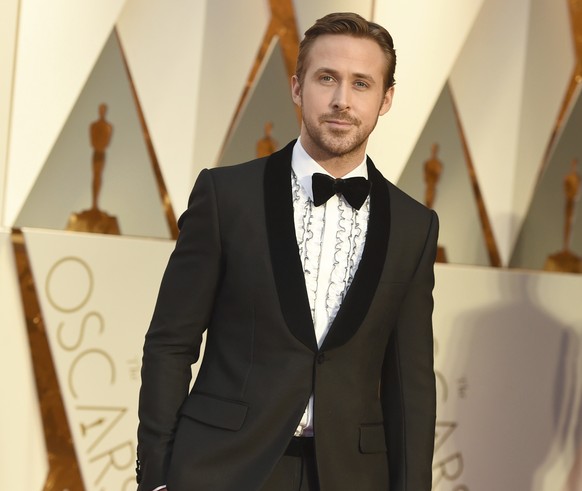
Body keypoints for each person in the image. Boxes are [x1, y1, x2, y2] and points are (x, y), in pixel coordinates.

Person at [137, 12, 438, 491]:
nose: (342, 100)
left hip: (352, 477)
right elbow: (170, 343)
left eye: (361, 83)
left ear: (386, 99)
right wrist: (156, 475)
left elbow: (412, 385)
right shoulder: (226, 196)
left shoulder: (414, 226)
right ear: (297, 88)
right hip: (221, 469)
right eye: (327, 78)